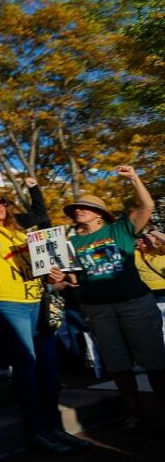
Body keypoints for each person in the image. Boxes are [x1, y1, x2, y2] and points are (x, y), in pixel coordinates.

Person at [0, 149, 86, 453]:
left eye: (1, 202)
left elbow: (43, 271)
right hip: (6, 304)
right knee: (27, 366)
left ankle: (54, 427)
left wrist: (51, 276)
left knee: (49, 366)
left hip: (37, 303)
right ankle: (35, 430)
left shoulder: (22, 235)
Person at [55, 168, 165, 432]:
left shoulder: (121, 229)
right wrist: (57, 276)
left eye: (83, 207)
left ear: (99, 214)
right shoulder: (70, 242)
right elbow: (71, 281)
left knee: (154, 361)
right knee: (117, 365)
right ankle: (134, 413)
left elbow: (147, 205)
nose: (77, 211)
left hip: (134, 303)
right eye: (75, 209)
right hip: (97, 308)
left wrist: (134, 178)